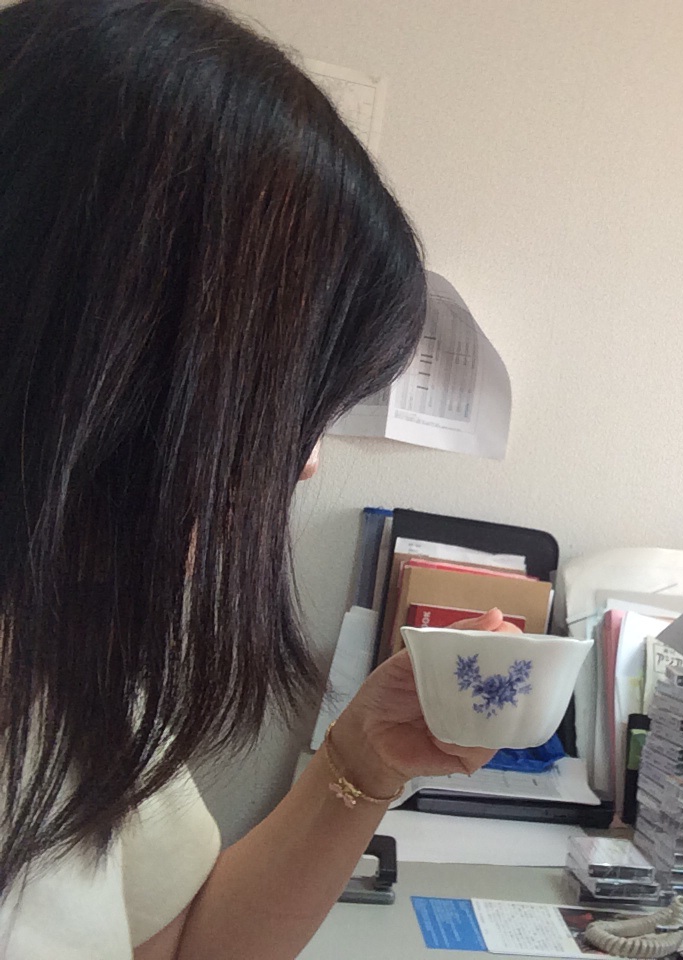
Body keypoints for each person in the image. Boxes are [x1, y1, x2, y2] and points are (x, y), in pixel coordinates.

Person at [0, 1, 515, 956]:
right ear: (112, 363)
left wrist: (363, 757)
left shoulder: (67, 653)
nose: (304, 460)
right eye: (287, 407)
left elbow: (182, 940)